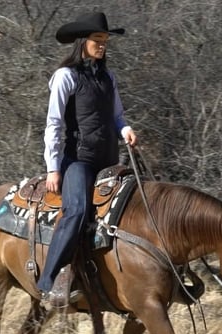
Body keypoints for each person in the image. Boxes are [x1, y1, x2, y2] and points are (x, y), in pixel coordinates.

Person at [37, 11, 138, 309]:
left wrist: (126, 130)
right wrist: (53, 168)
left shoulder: (108, 77)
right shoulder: (65, 77)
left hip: (109, 161)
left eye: (105, 40)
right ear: (83, 41)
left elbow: (117, 116)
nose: (102, 44)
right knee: (78, 210)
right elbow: (54, 124)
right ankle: (49, 281)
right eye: (97, 39)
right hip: (78, 161)